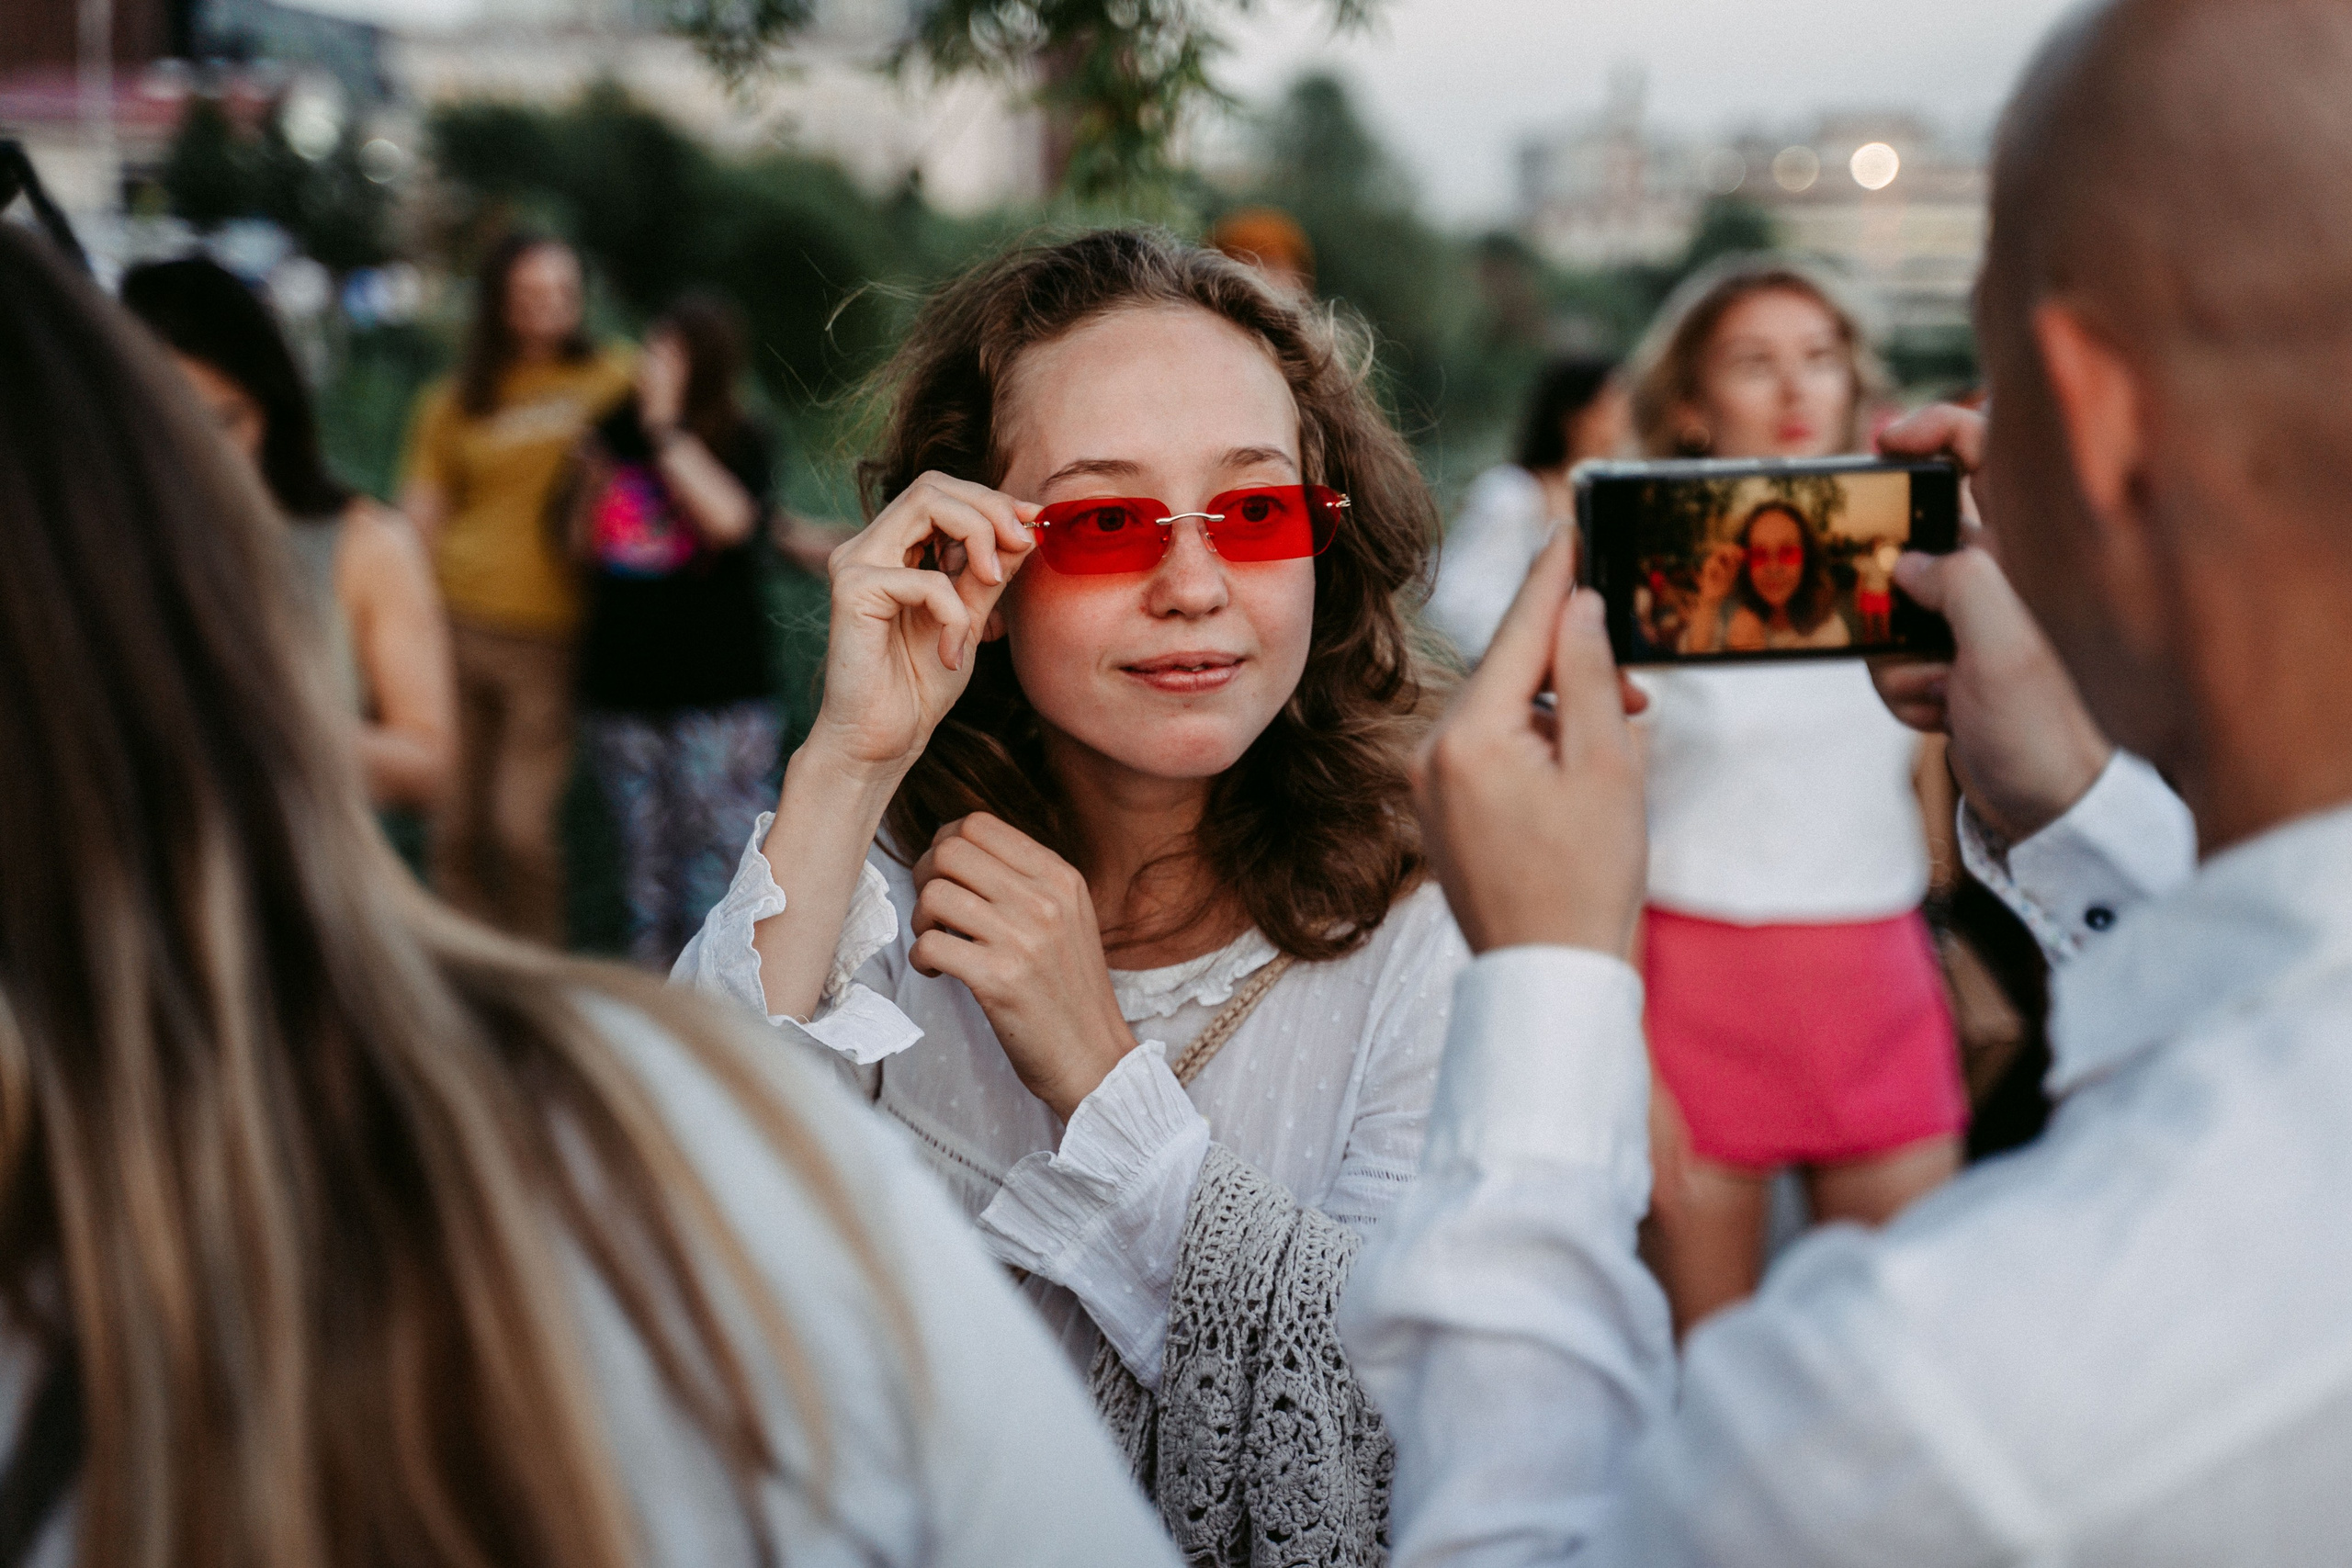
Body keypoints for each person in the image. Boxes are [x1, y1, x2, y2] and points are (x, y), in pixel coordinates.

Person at [0, 220, 1178, 1568]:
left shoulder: (719, 438)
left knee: (621, 859)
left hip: (700, 693)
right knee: (607, 868)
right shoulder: (680, 1124)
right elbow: (568, 538)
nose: (1187, 580)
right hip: (601, 674)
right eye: (1109, 518)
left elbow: (726, 526)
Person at [1344, 1, 2352, 1559]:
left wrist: (1542, 989)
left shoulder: (1926, 1407)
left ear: (2091, 414)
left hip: (1859, 975)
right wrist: (2074, 805)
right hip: (1726, 973)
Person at [676, 228, 1465, 1564]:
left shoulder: (1433, 923)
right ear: (975, 563)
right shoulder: (867, 899)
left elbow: (1402, 1432)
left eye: (1255, 513)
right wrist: (850, 761)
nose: (1194, 587)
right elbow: (677, 1246)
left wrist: (1099, 1074)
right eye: (1104, 524)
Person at [1624, 256, 1962, 1333]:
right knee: (1702, 1371)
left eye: (1819, 356)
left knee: (1899, 1360)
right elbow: (1597, 820)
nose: (1794, 387)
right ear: (1690, 401)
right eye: (1753, 361)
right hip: (1692, 994)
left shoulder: (1916, 555)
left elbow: (1936, 774)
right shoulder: (1644, 562)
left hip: (1877, 981)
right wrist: (1616, 1054)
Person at [119, 255, 456, 814]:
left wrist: (272, 730)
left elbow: (430, 765)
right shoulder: (95, 541)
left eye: (224, 422)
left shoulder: (363, 544)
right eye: (161, 427)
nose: (193, 456)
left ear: (271, 409)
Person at [400, 233, 633, 943]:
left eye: (562, 291)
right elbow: (421, 517)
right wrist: (402, 627)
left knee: (521, 828)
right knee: (455, 828)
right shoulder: (454, 399)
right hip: (455, 624)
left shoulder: (615, 377)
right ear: (499, 303)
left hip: (549, 637)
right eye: (531, 293)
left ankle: (539, 975)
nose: (549, 306)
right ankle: (470, 976)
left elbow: (695, 429)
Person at [568, 293, 781, 968]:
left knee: (722, 863)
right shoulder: (613, 431)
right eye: (650, 347)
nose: (649, 362)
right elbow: (579, 545)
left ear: (703, 363)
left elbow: (730, 522)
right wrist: (591, 477)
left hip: (716, 690)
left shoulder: (740, 436)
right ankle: (661, 1009)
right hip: (624, 689)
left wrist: (665, 430)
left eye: (668, 351)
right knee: (645, 872)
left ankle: (728, 1002)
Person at [1425, 355, 1629, 660]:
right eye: (1613, 406)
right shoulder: (1512, 494)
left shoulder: (1613, 504)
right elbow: (1455, 604)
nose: (1625, 420)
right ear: (1575, 417)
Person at [1678, 500, 1851, 653]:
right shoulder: (1726, 615)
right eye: (1759, 554)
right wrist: (1709, 601)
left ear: (1807, 560)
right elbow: (1692, 663)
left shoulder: (1829, 632)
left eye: (1787, 553)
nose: (1773, 568)